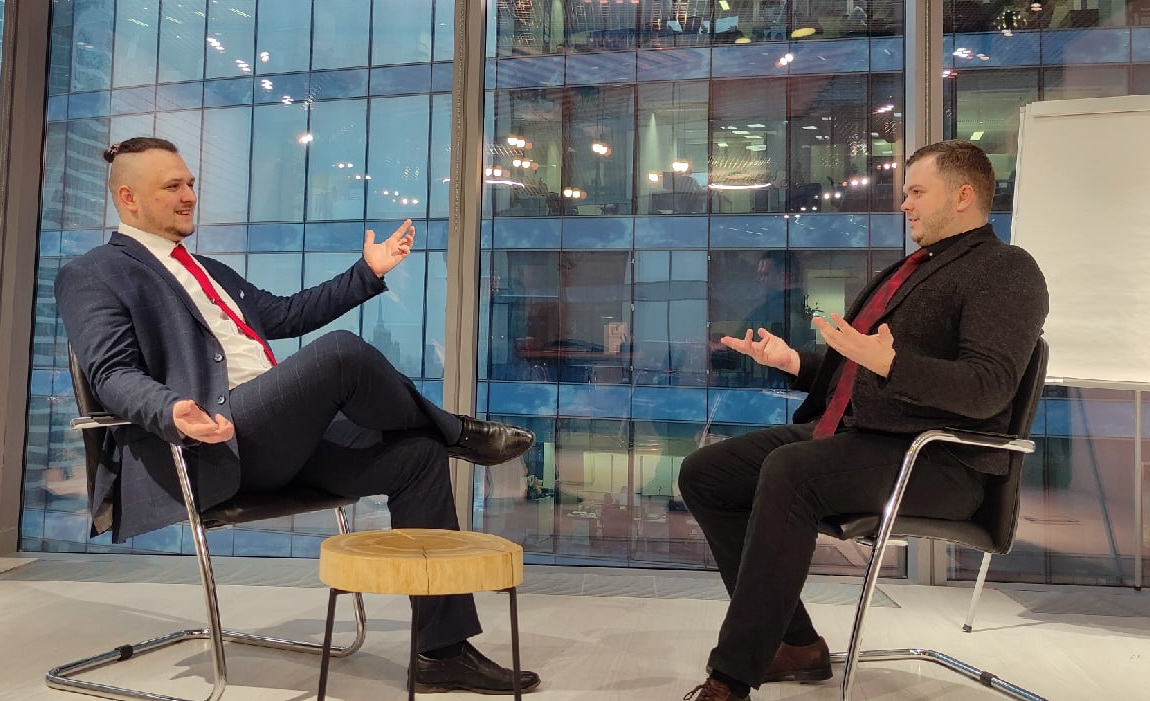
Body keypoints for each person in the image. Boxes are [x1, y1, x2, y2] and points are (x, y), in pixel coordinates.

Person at [54, 136, 541, 695]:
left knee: (418, 456)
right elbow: (111, 373)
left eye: (190, 183)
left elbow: (286, 314)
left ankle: (442, 654)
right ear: (128, 198)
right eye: (173, 186)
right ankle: (459, 432)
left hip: (278, 439)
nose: (189, 195)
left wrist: (367, 271)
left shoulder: (207, 270)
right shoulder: (95, 272)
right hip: (212, 445)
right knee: (341, 354)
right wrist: (170, 410)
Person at [678, 140, 1048, 700]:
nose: (905, 204)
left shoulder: (1006, 270)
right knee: (706, 473)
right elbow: (859, 370)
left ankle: (732, 676)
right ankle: (796, 644)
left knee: (791, 469)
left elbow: (988, 388)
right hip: (861, 437)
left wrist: (893, 364)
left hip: (939, 461)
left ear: (964, 195)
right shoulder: (912, 269)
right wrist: (794, 362)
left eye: (917, 192)